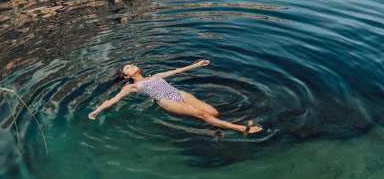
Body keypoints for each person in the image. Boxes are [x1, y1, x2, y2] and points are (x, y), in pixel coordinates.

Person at [88, 60, 263, 134]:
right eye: (128, 68)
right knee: (202, 115)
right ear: (126, 76)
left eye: (131, 64)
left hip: (180, 94)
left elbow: (176, 71)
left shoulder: (155, 75)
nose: (132, 66)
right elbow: (113, 100)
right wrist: (97, 110)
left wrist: (196, 64)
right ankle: (240, 129)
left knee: (213, 112)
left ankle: (213, 126)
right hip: (167, 102)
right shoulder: (131, 86)